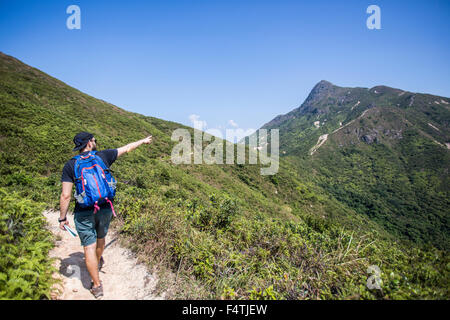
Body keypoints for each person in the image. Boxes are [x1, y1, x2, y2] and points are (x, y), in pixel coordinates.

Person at [59, 131, 153, 298]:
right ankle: (98, 260)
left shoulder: (70, 165)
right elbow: (127, 148)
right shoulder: (103, 156)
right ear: (88, 143)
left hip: (84, 211)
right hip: (105, 207)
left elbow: (65, 195)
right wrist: (143, 141)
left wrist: (62, 217)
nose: (95, 142)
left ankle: (97, 285)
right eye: (94, 140)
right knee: (101, 238)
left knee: (88, 246)